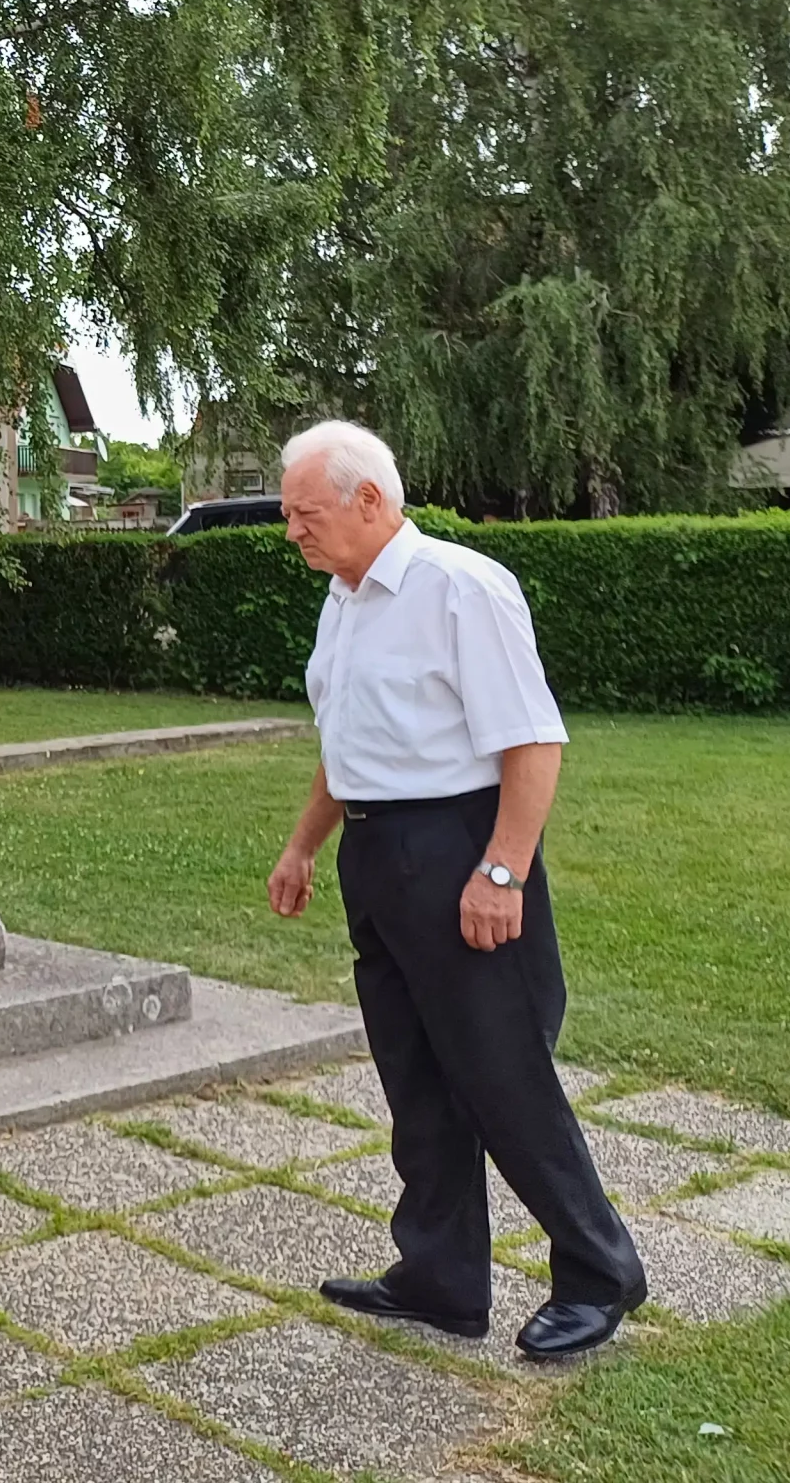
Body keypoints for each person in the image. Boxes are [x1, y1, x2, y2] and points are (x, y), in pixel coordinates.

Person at [265, 420, 646, 1360]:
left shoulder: (461, 589)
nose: (292, 533)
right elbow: (346, 743)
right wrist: (304, 847)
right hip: (375, 852)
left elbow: (532, 741)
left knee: (502, 1074)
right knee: (416, 1077)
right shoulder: (344, 601)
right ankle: (440, 1273)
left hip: (459, 849)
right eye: (287, 517)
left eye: (305, 514)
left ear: (369, 500)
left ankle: (601, 1271)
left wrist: (503, 868)